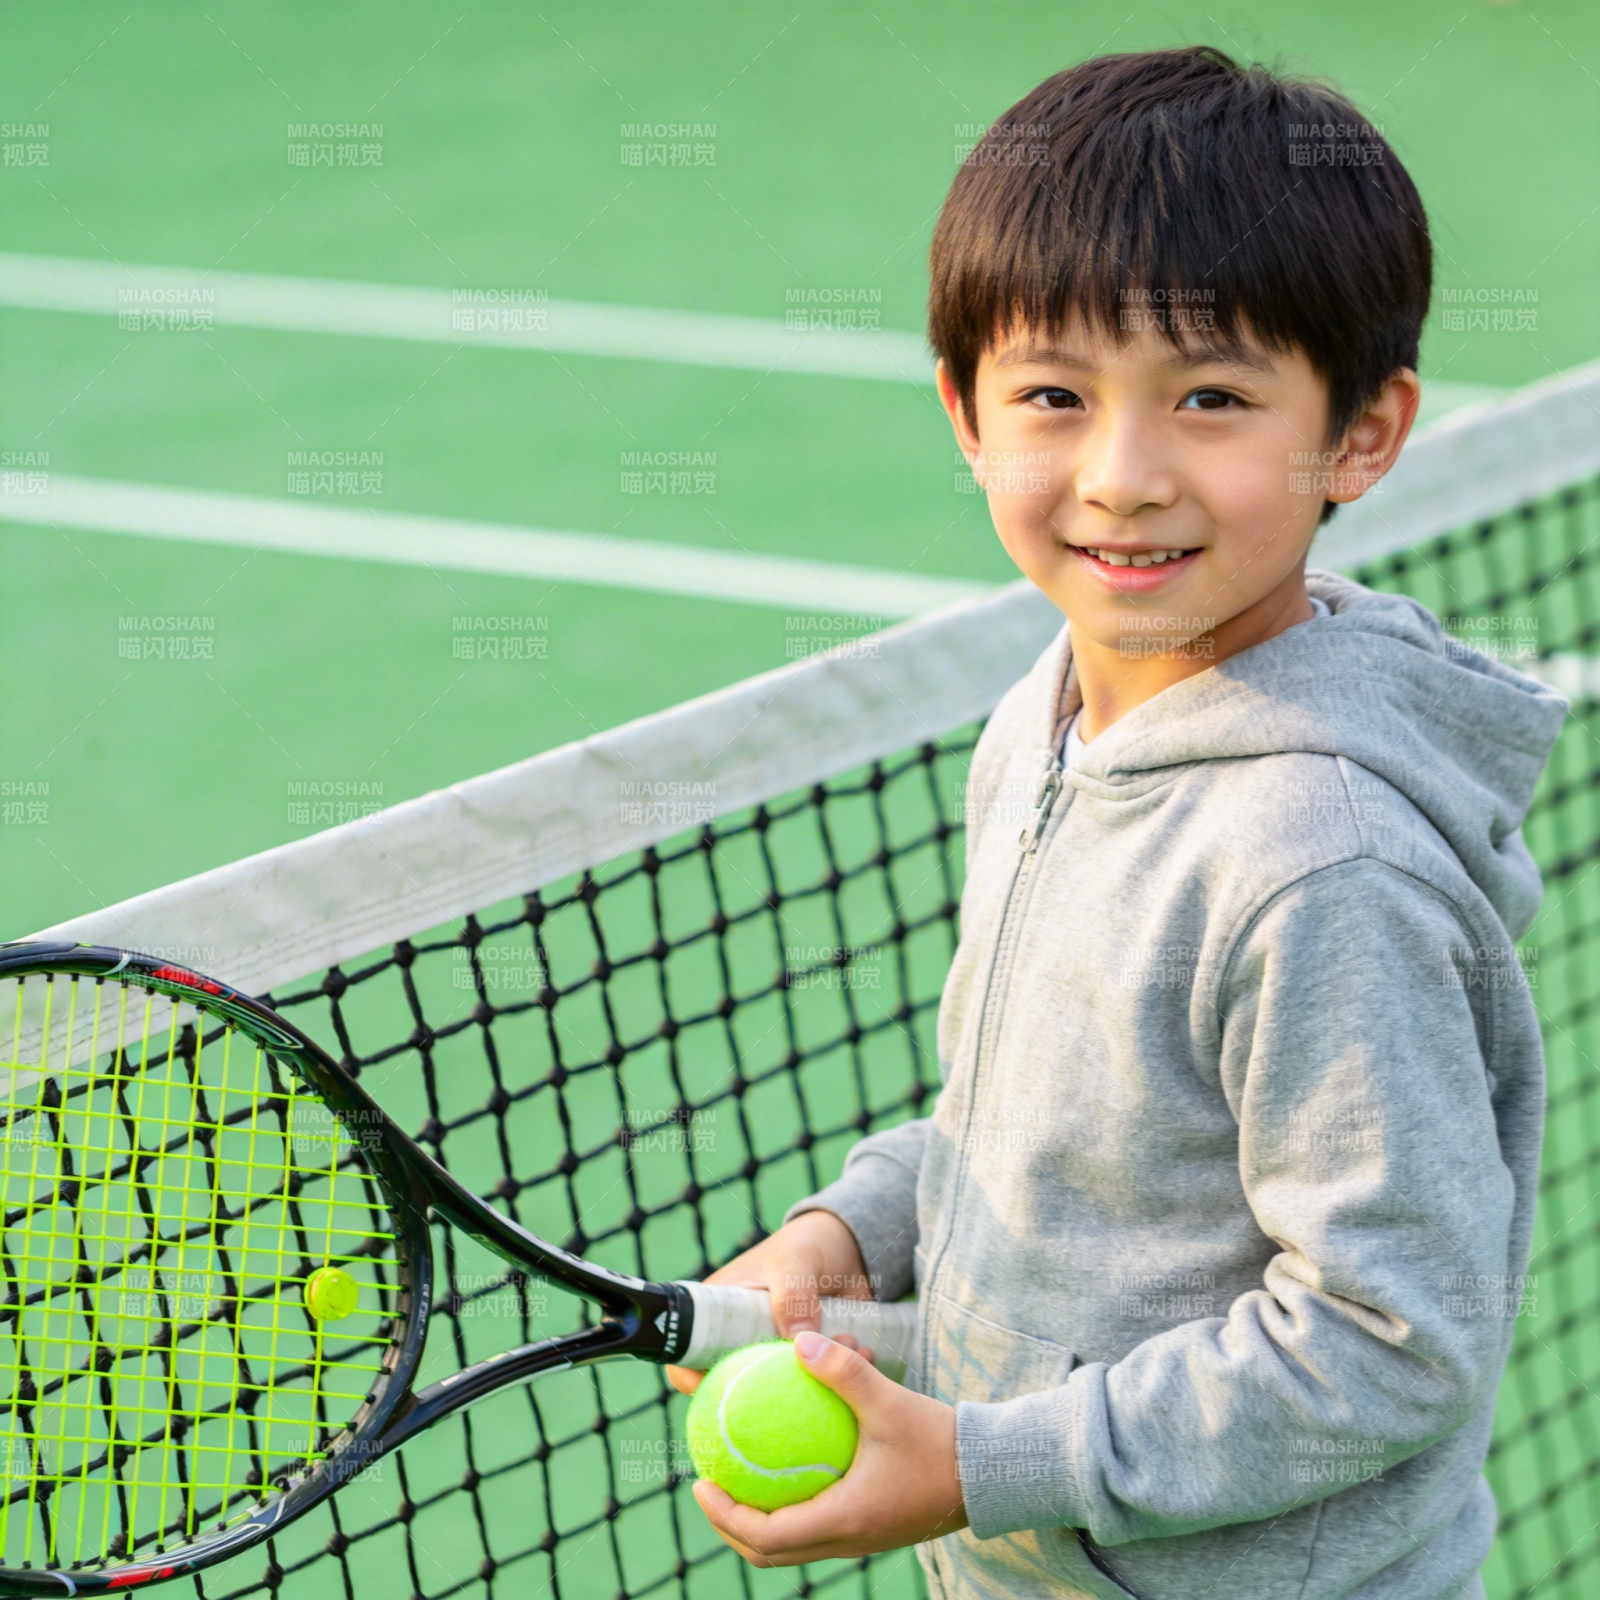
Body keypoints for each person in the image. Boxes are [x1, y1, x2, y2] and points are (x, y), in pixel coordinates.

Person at [668, 45, 1565, 1599]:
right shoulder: (1050, 720)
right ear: (965, 411)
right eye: (1053, 398)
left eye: (1211, 398)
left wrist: (982, 1464)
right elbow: (1039, 1125)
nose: (1123, 477)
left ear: (1360, 433)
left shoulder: (1321, 867)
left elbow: (1389, 1335)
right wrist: (855, 1230)